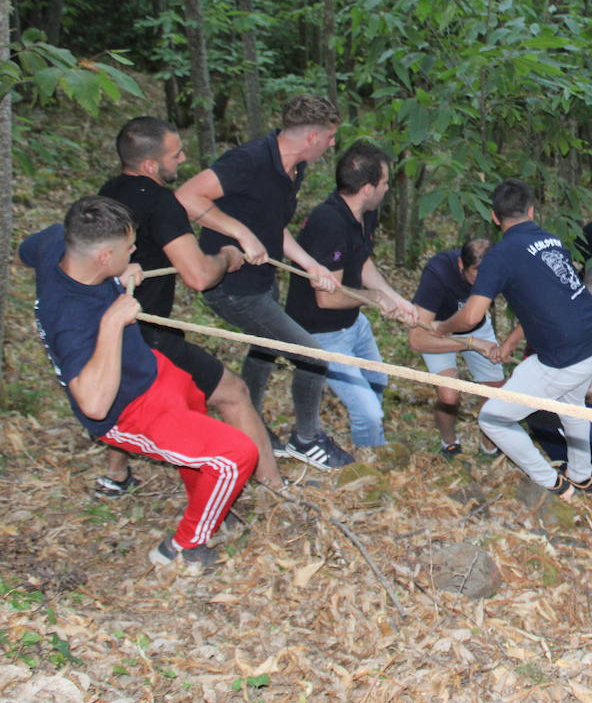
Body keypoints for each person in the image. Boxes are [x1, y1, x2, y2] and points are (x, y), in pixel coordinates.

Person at [21, 197, 257, 570]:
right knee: (236, 455)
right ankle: (182, 547)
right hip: (129, 409)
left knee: (198, 426)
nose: (134, 252)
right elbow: (94, 405)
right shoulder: (70, 318)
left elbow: (25, 252)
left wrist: (115, 275)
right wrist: (112, 321)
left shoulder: (57, 241)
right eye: (128, 248)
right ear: (103, 256)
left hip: (150, 371)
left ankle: (208, 507)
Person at [96, 117, 282, 494]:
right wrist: (226, 257)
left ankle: (115, 475)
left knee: (129, 392)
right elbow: (198, 275)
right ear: (150, 164)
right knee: (234, 393)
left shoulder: (108, 192)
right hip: (146, 335)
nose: (182, 159)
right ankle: (275, 488)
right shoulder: (161, 201)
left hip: (109, 327)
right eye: (175, 154)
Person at [176, 94, 349, 469]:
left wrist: (309, 264)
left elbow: (273, 225)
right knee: (312, 355)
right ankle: (306, 439)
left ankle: (250, 426)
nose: (332, 143)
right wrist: (240, 233)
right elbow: (186, 196)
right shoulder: (250, 160)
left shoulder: (295, 169)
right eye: (329, 136)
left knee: (264, 351)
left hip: (263, 279)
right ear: (311, 137)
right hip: (232, 287)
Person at [433, 179, 592, 499]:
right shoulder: (551, 240)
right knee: (572, 406)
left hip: (565, 356)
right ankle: (582, 476)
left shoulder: (499, 256)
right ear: (531, 210)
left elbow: (471, 317)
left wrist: (443, 327)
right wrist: (511, 342)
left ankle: (553, 483)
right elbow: (549, 301)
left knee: (493, 418)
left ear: (494, 217)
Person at [284, 142, 419, 453]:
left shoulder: (364, 213)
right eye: (384, 182)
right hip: (322, 334)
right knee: (369, 413)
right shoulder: (328, 222)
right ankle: (372, 465)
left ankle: (371, 447)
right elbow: (327, 299)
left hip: (353, 324)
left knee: (378, 381)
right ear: (368, 188)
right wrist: (374, 298)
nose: (387, 188)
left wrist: (394, 298)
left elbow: (362, 261)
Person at [527, 265, 592, 499]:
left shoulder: (570, 309)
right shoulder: (576, 324)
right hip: (550, 412)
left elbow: (577, 371)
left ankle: (582, 486)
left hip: (564, 398)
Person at [408, 238, 508, 457]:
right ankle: (449, 440)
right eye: (477, 273)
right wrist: (471, 343)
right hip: (437, 330)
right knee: (449, 395)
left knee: (495, 392)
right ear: (461, 264)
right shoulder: (438, 272)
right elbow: (417, 340)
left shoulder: (499, 269)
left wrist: (508, 344)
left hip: (477, 329)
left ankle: (488, 444)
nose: (484, 280)